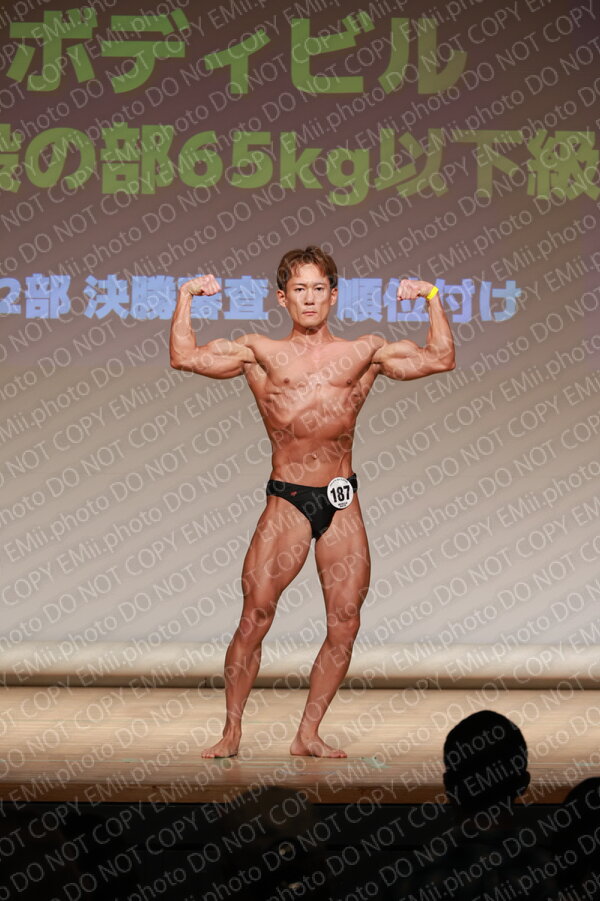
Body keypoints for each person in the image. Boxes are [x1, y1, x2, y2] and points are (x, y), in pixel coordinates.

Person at [169, 246, 455, 758]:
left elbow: (440, 358)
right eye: (299, 289)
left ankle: (308, 733)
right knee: (256, 615)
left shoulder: (365, 351)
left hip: (340, 500)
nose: (309, 298)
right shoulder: (259, 352)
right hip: (288, 499)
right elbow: (184, 356)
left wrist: (431, 296)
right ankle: (231, 731)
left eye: (318, 288)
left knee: (345, 622)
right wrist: (186, 296)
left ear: (333, 295)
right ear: (282, 297)